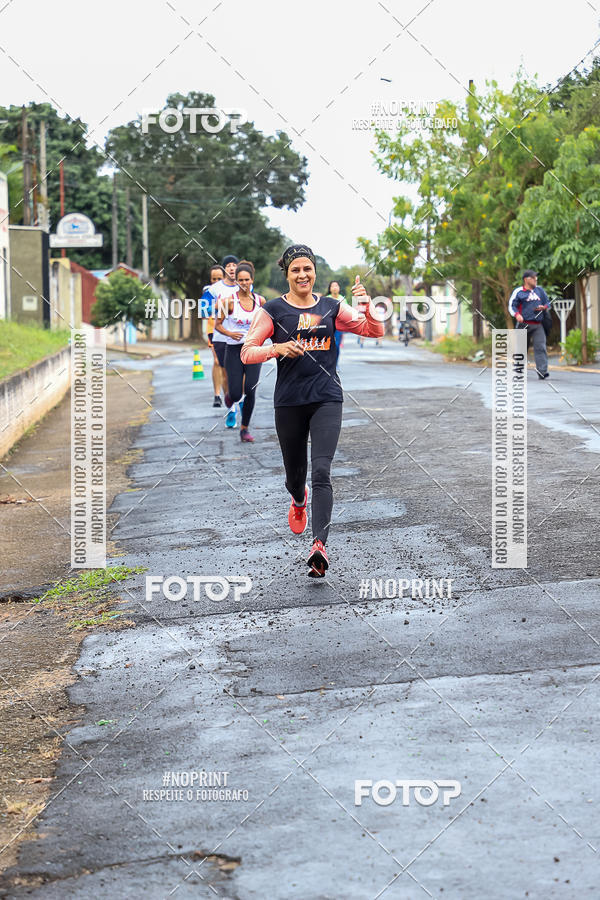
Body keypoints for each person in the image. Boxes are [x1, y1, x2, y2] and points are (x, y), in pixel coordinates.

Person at [241, 244, 384, 577]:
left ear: (315, 271)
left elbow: (374, 330)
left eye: (307, 268)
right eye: (295, 270)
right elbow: (247, 352)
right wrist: (275, 348)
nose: (302, 275)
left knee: (321, 471)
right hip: (289, 402)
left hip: (326, 398)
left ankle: (319, 546)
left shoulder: (332, 306)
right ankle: (298, 499)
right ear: (287, 274)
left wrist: (366, 304)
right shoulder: (273, 310)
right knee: (296, 477)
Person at [214, 261, 265, 442]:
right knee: (236, 394)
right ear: (236, 280)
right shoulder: (228, 302)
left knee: (250, 389)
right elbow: (217, 325)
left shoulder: (260, 301)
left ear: (252, 280)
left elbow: (267, 324)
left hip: (253, 350)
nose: (244, 283)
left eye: (247, 279)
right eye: (240, 280)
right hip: (234, 349)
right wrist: (230, 333)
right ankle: (229, 398)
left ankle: (244, 429)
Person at [208, 255, 240, 425]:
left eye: (234, 265)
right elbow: (203, 309)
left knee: (241, 374)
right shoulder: (214, 289)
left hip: (241, 336)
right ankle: (232, 408)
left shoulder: (245, 284)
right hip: (221, 337)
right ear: (224, 269)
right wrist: (222, 304)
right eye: (228, 265)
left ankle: (240, 398)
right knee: (226, 374)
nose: (232, 268)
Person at [508, 269, 551, 379]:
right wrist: (517, 314)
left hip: (538, 325)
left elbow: (547, 302)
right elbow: (512, 306)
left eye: (536, 277)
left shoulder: (540, 290)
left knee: (540, 347)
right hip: (524, 325)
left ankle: (542, 372)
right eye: (533, 277)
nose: (535, 279)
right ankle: (518, 372)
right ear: (526, 279)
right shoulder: (519, 292)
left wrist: (544, 307)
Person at [201, 264, 225, 406]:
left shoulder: (231, 290)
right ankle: (217, 395)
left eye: (219, 278)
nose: (216, 281)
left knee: (227, 365)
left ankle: (230, 393)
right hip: (213, 330)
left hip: (228, 330)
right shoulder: (208, 292)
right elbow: (203, 313)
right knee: (217, 361)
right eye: (213, 279)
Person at [325, 281, 344, 365]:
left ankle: (335, 364)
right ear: (330, 289)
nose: (335, 288)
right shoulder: (326, 299)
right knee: (327, 345)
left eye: (336, 286)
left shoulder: (342, 299)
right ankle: (328, 364)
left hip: (339, 326)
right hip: (328, 326)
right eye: (332, 286)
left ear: (339, 288)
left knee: (336, 345)